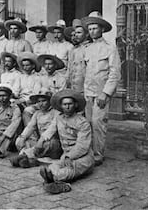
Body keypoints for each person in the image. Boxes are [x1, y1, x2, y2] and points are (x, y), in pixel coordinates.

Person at [82, 12, 121, 165]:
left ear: (102, 29)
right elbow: (87, 72)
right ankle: (89, 152)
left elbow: (115, 73)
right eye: (90, 29)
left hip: (101, 93)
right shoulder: (87, 48)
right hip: (88, 93)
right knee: (88, 123)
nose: (92, 31)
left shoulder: (110, 48)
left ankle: (98, 154)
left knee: (98, 123)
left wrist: (105, 93)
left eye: (95, 28)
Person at [38, 89, 94, 194]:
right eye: (64, 104)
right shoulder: (59, 118)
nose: (67, 107)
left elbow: (82, 145)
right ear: (61, 106)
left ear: (75, 105)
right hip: (65, 154)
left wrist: (70, 156)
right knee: (53, 167)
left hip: (83, 156)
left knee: (71, 168)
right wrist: (41, 141)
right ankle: (54, 180)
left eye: (70, 104)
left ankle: (54, 180)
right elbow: (50, 130)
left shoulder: (82, 122)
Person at [13, 91, 62, 168]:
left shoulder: (57, 113)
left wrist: (41, 140)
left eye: (44, 101)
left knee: (48, 144)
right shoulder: (37, 113)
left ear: (50, 101)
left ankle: (25, 155)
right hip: (40, 143)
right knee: (20, 140)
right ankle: (30, 160)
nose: (41, 104)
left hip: (53, 143)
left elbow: (52, 128)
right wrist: (22, 137)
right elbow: (30, 127)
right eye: (39, 101)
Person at [64, 19, 91, 93]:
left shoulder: (89, 48)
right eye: (75, 33)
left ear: (87, 34)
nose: (76, 35)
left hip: (85, 87)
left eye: (79, 33)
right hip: (73, 86)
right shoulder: (73, 50)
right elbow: (70, 68)